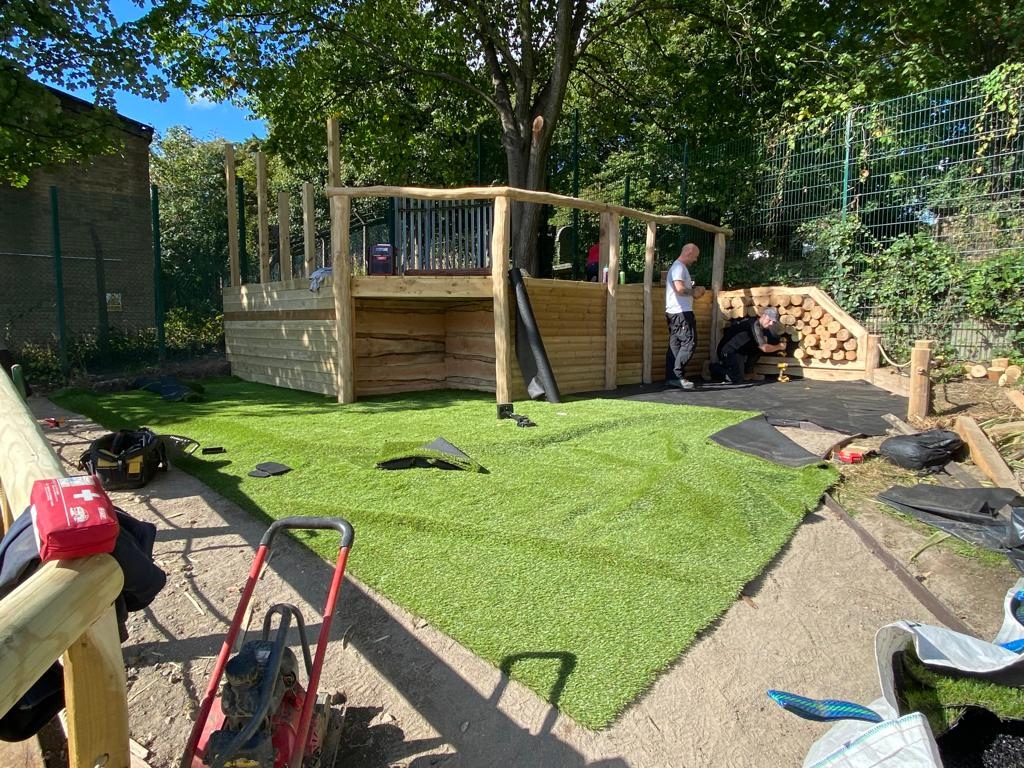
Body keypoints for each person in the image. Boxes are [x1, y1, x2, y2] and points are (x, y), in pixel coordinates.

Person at [710, 307, 788, 384]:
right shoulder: (755, 325)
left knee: (759, 347)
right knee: (737, 378)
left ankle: (749, 372)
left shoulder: (762, 327)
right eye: (769, 320)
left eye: (773, 322)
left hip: (740, 350)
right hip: (729, 350)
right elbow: (764, 348)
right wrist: (779, 346)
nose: (771, 323)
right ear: (763, 316)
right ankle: (712, 368)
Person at [664, 243, 705, 389]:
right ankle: (678, 375)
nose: (695, 259)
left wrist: (694, 291)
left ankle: (672, 377)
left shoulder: (678, 267)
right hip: (681, 312)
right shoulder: (679, 267)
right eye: (695, 256)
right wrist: (694, 292)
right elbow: (680, 289)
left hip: (674, 312)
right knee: (689, 342)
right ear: (689, 252)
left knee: (675, 345)